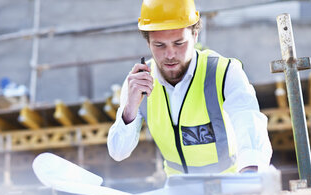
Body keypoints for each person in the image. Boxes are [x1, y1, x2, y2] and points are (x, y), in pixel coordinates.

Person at [107, 0, 272, 176]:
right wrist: (130, 109)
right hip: (179, 192)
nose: (170, 55)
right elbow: (118, 152)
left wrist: (250, 175)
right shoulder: (138, 83)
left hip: (227, 184)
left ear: (195, 35)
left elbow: (249, 123)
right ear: (148, 43)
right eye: (159, 45)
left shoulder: (224, 72)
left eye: (179, 43)